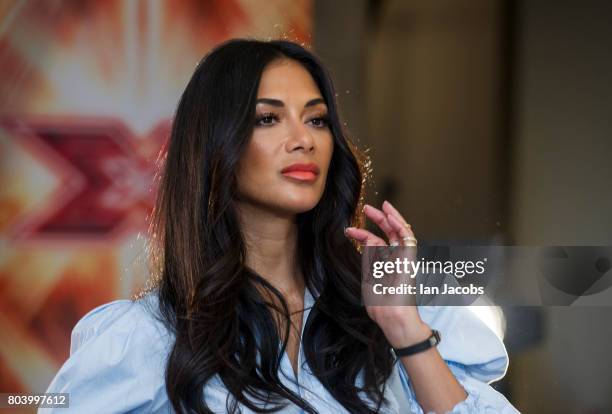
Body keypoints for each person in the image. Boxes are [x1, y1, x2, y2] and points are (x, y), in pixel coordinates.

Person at [41, 39, 519, 413]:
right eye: (269, 119)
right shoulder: (151, 338)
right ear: (216, 144)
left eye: (317, 120)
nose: (302, 140)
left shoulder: (391, 318)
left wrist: (402, 327)